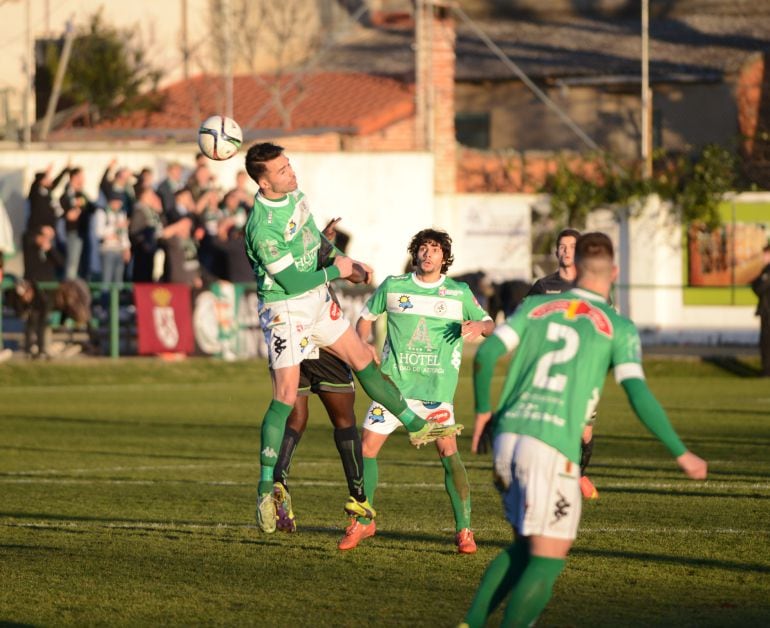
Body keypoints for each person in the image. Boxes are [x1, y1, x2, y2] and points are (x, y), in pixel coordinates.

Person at [461, 232, 708, 628]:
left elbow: (487, 353)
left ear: (575, 267)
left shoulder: (537, 305)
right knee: (548, 559)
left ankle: (470, 623)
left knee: (525, 547)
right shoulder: (617, 325)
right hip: (552, 444)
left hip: (508, 438)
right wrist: (681, 451)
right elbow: (637, 392)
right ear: (614, 271)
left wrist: (482, 413)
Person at [242, 142, 462, 534]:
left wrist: (345, 260)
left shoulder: (295, 195)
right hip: (285, 309)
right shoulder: (262, 227)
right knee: (286, 396)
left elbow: (315, 242)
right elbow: (290, 280)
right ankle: (264, 486)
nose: (291, 173)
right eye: (281, 171)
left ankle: (415, 424)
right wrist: (339, 271)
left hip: (316, 299)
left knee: (362, 356)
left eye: (288, 165)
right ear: (263, 181)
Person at [340, 229, 495, 552]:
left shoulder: (458, 292)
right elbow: (365, 320)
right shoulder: (394, 287)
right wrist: (366, 343)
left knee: (448, 452)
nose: (427, 254)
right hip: (392, 391)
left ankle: (464, 530)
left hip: (435, 392)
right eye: (423, 248)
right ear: (415, 253)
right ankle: (365, 521)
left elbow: (489, 323)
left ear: (444, 257)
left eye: (435, 250)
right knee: (366, 448)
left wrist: (479, 326)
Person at [271, 218, 374, 535]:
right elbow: (363, 274)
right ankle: (358, 497)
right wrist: (333, 252)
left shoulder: (275, 252)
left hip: (290, 338)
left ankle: (279, 482)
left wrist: (326, 245)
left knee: (294, 419)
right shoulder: (315, 250)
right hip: (327, 340)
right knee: (344, 422)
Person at [494, 227, 601, 501]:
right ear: (556, 251)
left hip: (583, 371)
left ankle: (579, 472)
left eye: (572, 247)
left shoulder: (594, 286)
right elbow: (524, 319)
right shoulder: (543, 287)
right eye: (562, 247)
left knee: (585, 434)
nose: (566, 251)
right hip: (551, 371)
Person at [751, 243, 770, 377]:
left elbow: (758, 287)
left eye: (766, 253)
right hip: (766, 310)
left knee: (766, 342)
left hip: (768, 311)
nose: (764, 256)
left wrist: (757, 283)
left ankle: (766, 371)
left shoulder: (768, 271)